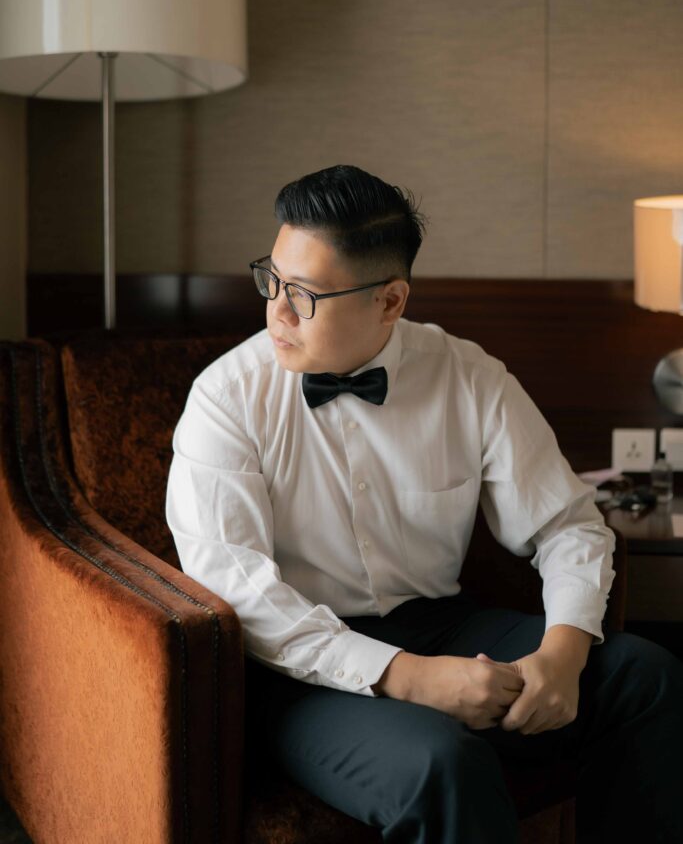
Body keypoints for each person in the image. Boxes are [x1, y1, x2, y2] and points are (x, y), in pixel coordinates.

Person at [165, 165, 683, 843]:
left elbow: (566, 524)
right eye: (273, 280)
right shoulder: (226, 398)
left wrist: (563, 654)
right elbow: (236, 589)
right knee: (441, 764)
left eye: (306, 295)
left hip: (441, 625)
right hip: (296, 666)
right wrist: (409, 679)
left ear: (390, 301)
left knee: (646, 676)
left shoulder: (469, 376)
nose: (277, 313)